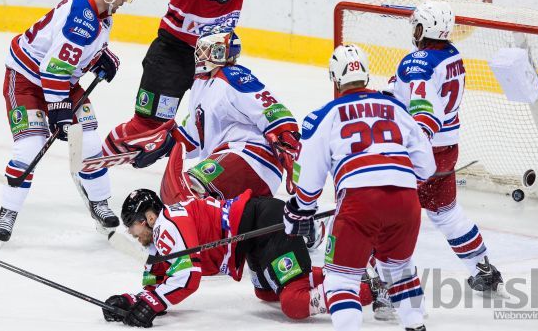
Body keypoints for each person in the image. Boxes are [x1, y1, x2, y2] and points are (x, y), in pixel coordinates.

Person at [102, 0, 318, 159]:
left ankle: (218, 174)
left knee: (221, 122)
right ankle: (99, 157)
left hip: (217, 58)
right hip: (174, 54)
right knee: (150, 127)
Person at [284, 44, 435, 331]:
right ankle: (415, 325)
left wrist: (299, 211)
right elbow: (426, 166)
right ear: (365, 74)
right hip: (406, 201)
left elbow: (308, 180)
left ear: (335, 78)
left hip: (359, 201)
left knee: (341, 280)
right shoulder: (397, 108)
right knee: (400, 269)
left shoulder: (323, 115)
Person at [0, 0, 136, 242]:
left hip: (60, 81)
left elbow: (70, 57)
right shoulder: (83, 18)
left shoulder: (98, 12)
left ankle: (99, 201)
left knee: (90, 141)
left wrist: (99, 59)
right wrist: (60, 112)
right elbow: (53, 68)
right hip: (25, 81)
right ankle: (8, 210)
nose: (123, 1)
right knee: (29, 148)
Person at [102, 188, 380, 327]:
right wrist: (132, 302)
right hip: (253, 238)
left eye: (134, 225)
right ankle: (349, 275)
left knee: (294, 303)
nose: (132, 233)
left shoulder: (166, 224)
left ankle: (374, 291)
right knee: (266, 293)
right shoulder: (161, 235)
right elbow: (158, 282)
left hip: (263, 224)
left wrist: (153, 302)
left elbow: (187, 277)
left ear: (149, 217)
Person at [390, 1, 504, 293]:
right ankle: (482, 267)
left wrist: (414, 152)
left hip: (419, 150)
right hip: (447, 149)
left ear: (424, 28)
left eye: (417, 25)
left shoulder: (417, 62)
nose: (413, 31)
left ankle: (383, 283)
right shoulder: (453, 55)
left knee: (384, 212)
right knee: (445, 213)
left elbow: (423, 113)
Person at [132, 28, 301, 206]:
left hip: (251, 158)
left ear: (220, 52)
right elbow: (191, 139)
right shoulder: (200, 85)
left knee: (189, 187)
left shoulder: (233, 75)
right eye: (199, 49)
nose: (199, 54)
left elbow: (270, 107)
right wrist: (161, 146)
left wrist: (286, 139)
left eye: (205, 49)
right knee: (180, 195)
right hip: (231, 163)